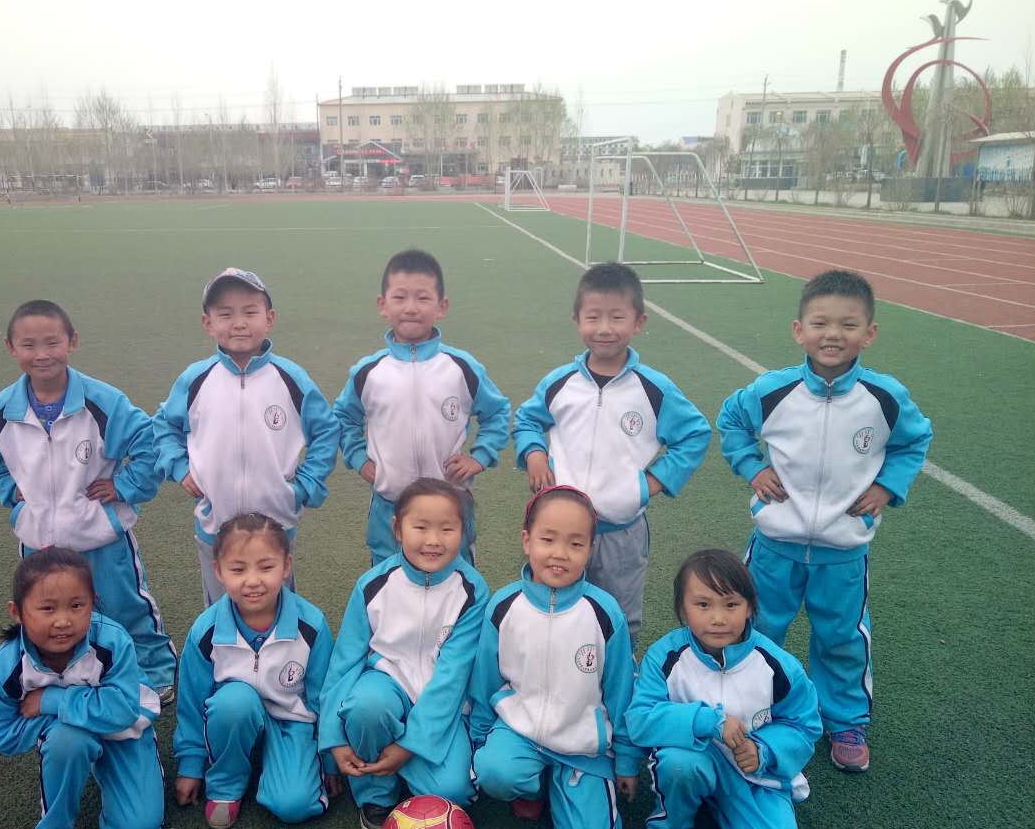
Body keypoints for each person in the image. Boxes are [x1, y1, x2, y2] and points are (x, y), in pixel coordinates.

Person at [717, 269, 933, 772]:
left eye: (848, 325)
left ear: (869, 333)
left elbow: (914, 441)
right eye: (820, 323)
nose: (833, 335)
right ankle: (753, 704)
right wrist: (753, 467)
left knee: (841, 638)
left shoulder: (883, 398)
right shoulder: (773, 390)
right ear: (799, 330)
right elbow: (731, 422)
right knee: (756, 626)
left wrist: (887, 486)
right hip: (774, 546)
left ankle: (844, 720)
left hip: (843, 551)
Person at [0, 300, 176, 701]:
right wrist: (9, 488)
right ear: (10, 347)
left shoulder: (102, 401)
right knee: (51, 609)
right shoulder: (3, 411)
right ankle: (73, 669)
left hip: (100, 535)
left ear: (72, 341)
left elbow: (149, 444)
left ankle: (153, 669)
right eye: (28, 345)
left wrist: (124, 486)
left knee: (124, 605)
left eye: (52, 342)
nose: (41, 354)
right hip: (39, 541)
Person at [513, 262, 711, 639]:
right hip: (560, 528)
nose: (604, 328)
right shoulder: (560, 383)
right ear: (577, 320)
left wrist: (649, 483)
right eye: (593, 317)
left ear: (638, 322)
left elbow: (695, 434)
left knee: (618, 617)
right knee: (552, 607)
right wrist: (534, 453)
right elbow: (527, 420)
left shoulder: (653, 388)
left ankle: (618, 674)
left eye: (617, 317)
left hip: (621, 530)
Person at [627, 549, 821, 829]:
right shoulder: (666, 655)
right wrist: (708, 721)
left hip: (753, 777)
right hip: (694, 760)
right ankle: (672, 821)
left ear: (750, 607)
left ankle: (728, 809)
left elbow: (804, 725)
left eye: (731, 604)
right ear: (682, 609)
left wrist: (765, 751)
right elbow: (641, 719)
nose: (718, 618)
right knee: (679, 764)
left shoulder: (777, 665)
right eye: (703, 605)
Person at [0, 547, 163, 829]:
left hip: (125, 731)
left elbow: (125, 710)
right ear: (17, 612)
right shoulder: (5, 669)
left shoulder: (112, 641)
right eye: (47, 609)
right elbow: (2, 736)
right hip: (70, 735)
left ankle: (100, 763)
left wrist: (51, 702)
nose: (63, 621)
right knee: (69, 740)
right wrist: (64, 724)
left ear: (93, 603)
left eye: (76, 606)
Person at [469, 486, 640, 829]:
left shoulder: (604, 613)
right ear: (527, 540)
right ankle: (532, 784)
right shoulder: (504, 606)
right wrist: (479, 739)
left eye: (576, 544)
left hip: (582, 745)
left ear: (590, 550)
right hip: (520, 732)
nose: (560, 553)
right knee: (494, 772)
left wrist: (626, 759)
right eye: (548, 539)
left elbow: (621, 692)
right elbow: (485, 679)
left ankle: (562, 781)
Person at [153, 267, 340, 606]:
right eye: (226, 314)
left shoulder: (290, 377)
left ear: (269, 319)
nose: (239, 323)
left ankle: (283, 643)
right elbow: (164, 426)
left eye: (250, 312)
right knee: (221, 609)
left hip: (276, 522)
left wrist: (303, 487)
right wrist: (179, 467)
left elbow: (326, 430)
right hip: (214, 524)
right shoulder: (196, 379)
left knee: (278, 606)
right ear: (208, 323)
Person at [319, 478, 490, 829]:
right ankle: (376, 794)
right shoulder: (373, 584)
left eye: (447, 529)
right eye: (420, 527)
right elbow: (344, 664)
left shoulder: (473, 590)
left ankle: (400, 764)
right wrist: (333, 737)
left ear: (463, 531)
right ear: (397, 528)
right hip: (387, 684)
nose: (433, 540)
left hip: (441, 706)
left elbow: (451, 679)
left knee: (453, 794)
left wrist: (408, 747)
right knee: (367, 707)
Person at [333, 249, 510, 565]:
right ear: (383, 305)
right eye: (400, 297)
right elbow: (344, 417)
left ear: (442, 307)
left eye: (423, 298)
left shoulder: (461, 367)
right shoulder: (368, 372)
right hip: (390, 504)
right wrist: (359, 458)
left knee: (455, 584)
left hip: (450, 505)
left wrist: (479, 456)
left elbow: (497, 413)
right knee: (388, 582)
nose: (411, 308)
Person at [173, 513, 339, 829]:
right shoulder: (205, 631)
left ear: (286, 566)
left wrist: (329, 758)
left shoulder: (311, 624)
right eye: (238, 569)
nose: (252, 581)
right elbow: (191, 702)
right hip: (234, 720)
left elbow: (324, 697)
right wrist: (191, 765)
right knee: (233, 702)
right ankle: (226, 783)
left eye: (266, 567)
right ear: (218, 571)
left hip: (291, 723)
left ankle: (280, 763)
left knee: (294, 806)